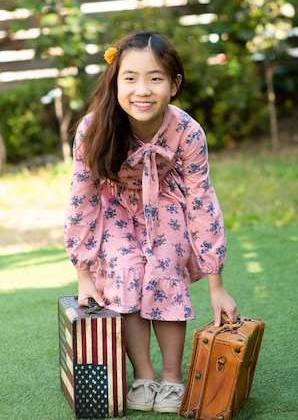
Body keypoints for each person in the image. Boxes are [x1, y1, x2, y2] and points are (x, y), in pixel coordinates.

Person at [64, 29, 237, 414]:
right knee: (126, 270)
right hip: (116, 208)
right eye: (131, 78)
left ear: (174, 85)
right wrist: (84, 272)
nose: (142, 90)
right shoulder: (93, 130)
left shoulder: (188, 131)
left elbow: (201, 201)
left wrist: (216, 284)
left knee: (165, 269)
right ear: (116, 81)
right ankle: (143, 375)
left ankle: (172, 378)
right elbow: (83, 199)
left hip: (167, 204)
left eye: (155, 78)